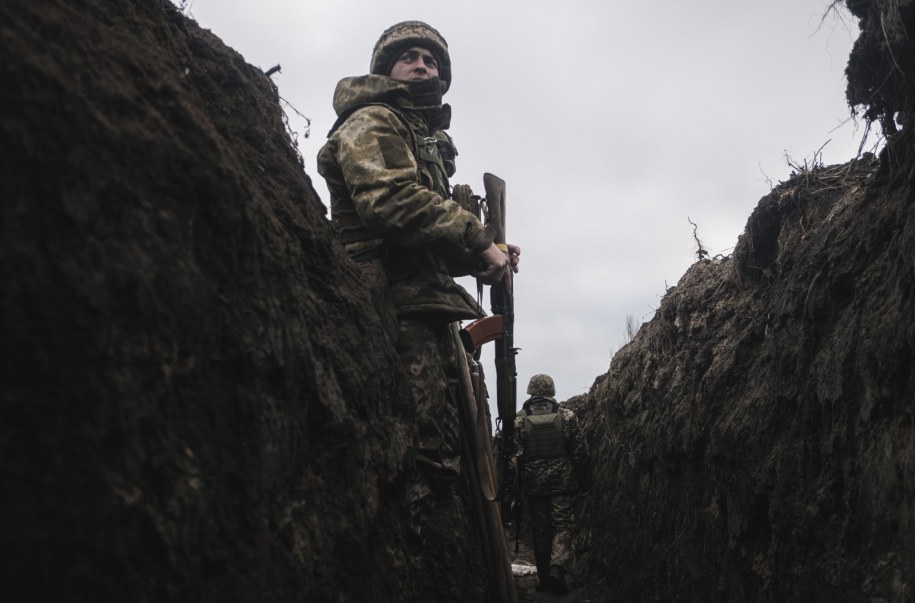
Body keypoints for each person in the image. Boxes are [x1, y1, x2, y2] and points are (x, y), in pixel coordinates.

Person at [316, 19, 520, 597]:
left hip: (421, 304)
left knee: (445, 461)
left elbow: (420, 246)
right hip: (388, 310)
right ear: (386, 70)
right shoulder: (374, 119)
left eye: (432, 60)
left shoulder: (418, 135)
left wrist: (477, 257)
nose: (422, 66)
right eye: (408, 57)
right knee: (420, 463)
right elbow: (387, 203)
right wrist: (475, 235)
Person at [511, 374, 591, 595]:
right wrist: (585, 480)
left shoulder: (519, 420)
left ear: (531, 392)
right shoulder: (566, 417)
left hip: (535, 486)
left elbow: (515, 460)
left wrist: (515, 491)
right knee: (562, 525)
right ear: (551, 391)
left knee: (541, 530)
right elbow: (580, 453)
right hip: (562, 483)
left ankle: (545, 579)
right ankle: (558, 569)